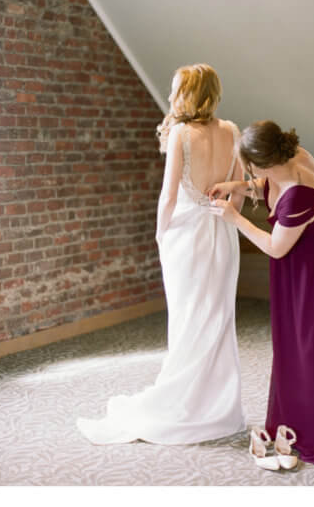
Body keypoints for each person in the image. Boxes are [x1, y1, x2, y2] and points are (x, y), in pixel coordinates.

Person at [77, 64, 246, 444]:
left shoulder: (182, 133)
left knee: (188, 318)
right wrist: (226, 213)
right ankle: (218, 408)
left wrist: (160, 234)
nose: (171, 97)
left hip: (186, 237)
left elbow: (168, 196)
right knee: (218, 317)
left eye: (175, 90)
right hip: (223, 231)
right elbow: (236, 195)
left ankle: (184, 405)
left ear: (190, 92)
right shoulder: (232, 130)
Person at [209, 120, 314, 464]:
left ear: (261, 161)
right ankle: (304, 417)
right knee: (303, 345)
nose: (249, 171)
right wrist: (238, 185)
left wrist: (235, 218)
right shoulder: (291, 153)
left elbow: (275, 248)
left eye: (248, 167)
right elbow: (269, 180)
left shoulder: (299, 192)